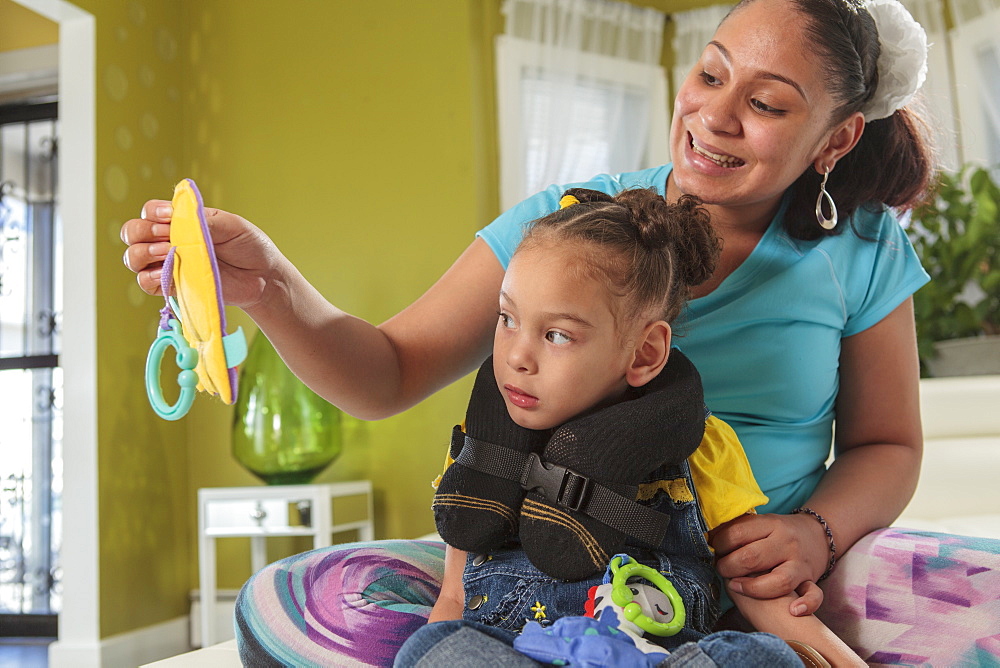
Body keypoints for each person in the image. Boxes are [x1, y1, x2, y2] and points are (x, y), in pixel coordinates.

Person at [121, 0, 956, 664]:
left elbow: (888, 444)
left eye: (767, 103)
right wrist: (269, 286)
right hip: (546, 560)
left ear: (837, 138)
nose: (715, 115)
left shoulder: (863, 249)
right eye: (710, 73)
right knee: (291, 599)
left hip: (754, 580)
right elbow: (385, 374)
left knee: (964, 595)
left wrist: (815, 536)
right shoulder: (568, 230)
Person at [395, 186, 862, 667]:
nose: (517, 357)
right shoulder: (485, 446)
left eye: (557, 334)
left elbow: (752, 580)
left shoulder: (703, 447)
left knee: (758, 656)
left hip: (652, 658)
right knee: (432, 650)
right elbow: (453, 598)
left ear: (645, 353)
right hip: (520, 656)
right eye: (507, 318)